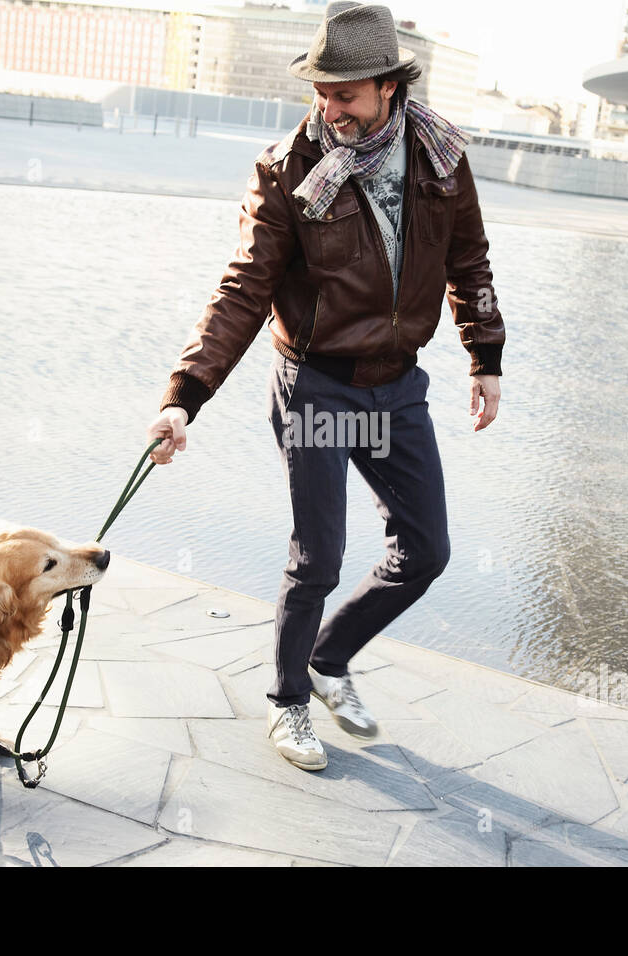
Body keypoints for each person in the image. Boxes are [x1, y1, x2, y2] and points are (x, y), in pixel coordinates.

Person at [146, 1, 505, 771]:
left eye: (344, 93)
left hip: (398, 388)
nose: (328, 107)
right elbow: (243, 288)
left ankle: (329, 654)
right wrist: (186, 394)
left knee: (427, 551)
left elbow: (469, 262)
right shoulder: (288, 167)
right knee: (319, 557)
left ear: (386, 87)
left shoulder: (440, 158)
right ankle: (288, 705)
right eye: (320, 91)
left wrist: (485, 357)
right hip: (316, 386)